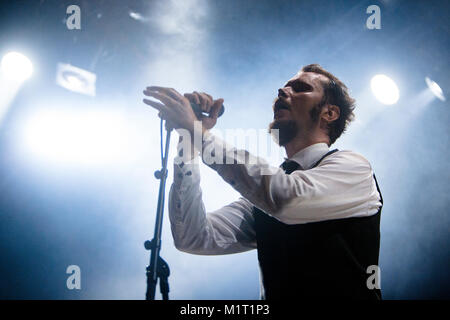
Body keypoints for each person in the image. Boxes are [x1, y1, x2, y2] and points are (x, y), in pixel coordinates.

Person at [143, 64, 383, 299]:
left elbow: (287, 200)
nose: (283, 92)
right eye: (283, 88)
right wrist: (189, 143)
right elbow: (194, 237)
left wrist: (200, 134)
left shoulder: (353, 168)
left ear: (329, 113)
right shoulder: (265, 195)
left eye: (300, 88)